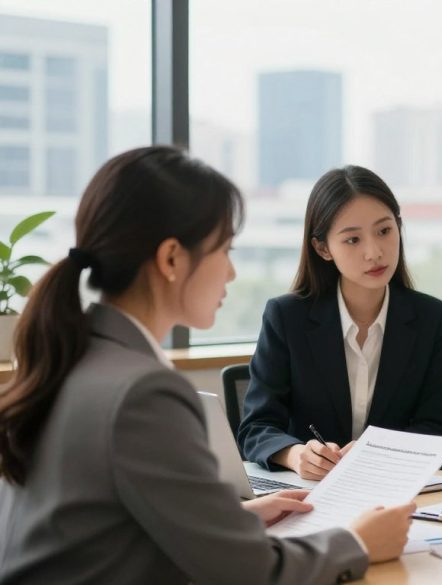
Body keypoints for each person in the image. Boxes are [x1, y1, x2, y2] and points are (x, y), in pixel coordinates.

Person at [0, 147, 414, 584]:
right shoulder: (142, 392)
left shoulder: (77, 357)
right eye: (224, 249)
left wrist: (235, 522)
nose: (232, 273)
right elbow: (249, 574)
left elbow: (108, 531)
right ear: (172, 259)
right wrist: (359, 543)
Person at [238, 166, 442, 479]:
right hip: (308, 494)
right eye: (352, 239)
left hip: (392, 492)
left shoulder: (431, 318)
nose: (374, 252)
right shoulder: (287, 317)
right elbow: (256, 428)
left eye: (384, 231)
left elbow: (436, 430)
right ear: (323, 248)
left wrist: (377, 454)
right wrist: (297, 454)